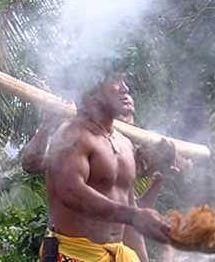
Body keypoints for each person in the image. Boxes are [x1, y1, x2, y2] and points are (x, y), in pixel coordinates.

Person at [26, 73, 171, 262]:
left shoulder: (124, 144)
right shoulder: (72, 135)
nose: (125, 88)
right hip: (74, 256)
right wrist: (133, 215)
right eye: (115, 81)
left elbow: (128, 217)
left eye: (124, 81)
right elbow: (71, 192)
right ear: (91, 92)